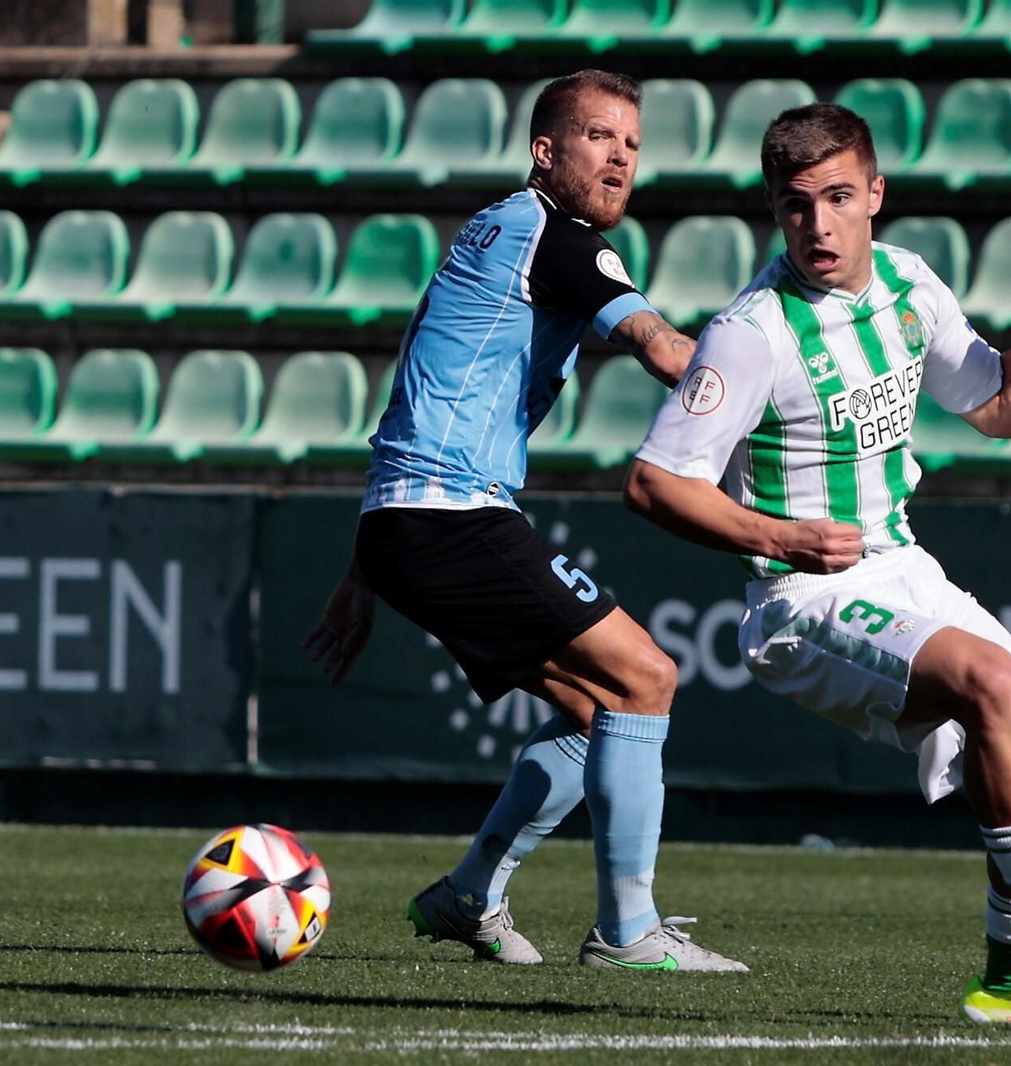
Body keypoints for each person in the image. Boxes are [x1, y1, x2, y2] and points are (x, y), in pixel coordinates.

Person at [623, 103, 1011, 1022]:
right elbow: (656, 484)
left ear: (874, 194)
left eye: (836, 197)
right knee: (986, 679)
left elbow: (999, 404)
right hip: (801, 600)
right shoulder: (752, 333)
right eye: (796, 205)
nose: (818, 225)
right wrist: (777, 536)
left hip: (902, 569)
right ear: (774, 210)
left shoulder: (908, 283)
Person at [302, 70, 747, 972]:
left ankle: (471, 893)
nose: (620, 155)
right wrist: (780, 389)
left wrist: (364, 567)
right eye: (598, 137)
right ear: (547, 152)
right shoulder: (554, 235)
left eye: (631, 142)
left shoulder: (498, 236)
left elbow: (409, 393)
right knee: (647, 678)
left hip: (413, 519)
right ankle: (627, 932)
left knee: (599, 713)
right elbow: (663, 350)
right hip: (451, 515)